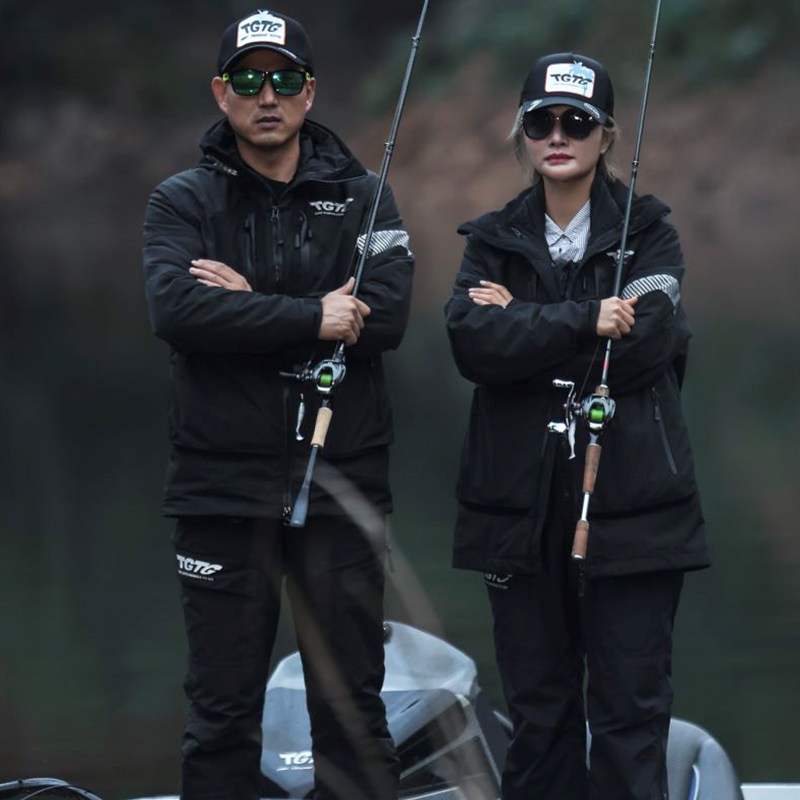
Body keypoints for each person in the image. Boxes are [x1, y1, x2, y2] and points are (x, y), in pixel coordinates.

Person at [142, 9, 414, 800]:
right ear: (221, 92)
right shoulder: (179, 201)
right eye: (251, 79)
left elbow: (386, 318)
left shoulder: (366, 195)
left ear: (310, 91)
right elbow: (178, 313)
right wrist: (312, 314)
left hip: (343, 483)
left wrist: (247, 304)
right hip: (220, 491)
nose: (269, 95)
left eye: (286, 78)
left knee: (352, 708)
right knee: (221, 712)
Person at [444, 52, 710, 799]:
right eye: (541, 122)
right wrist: (587, 318)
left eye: (576, 121)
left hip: (638, 515)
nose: (557, 135)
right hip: (517, 519)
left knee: (631, 715)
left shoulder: (650, 231)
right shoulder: (491, 238)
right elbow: (472, 345)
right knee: (539, 716)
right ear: (521, 134)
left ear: (606, 134)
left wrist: (524, 326)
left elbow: (647, 346)